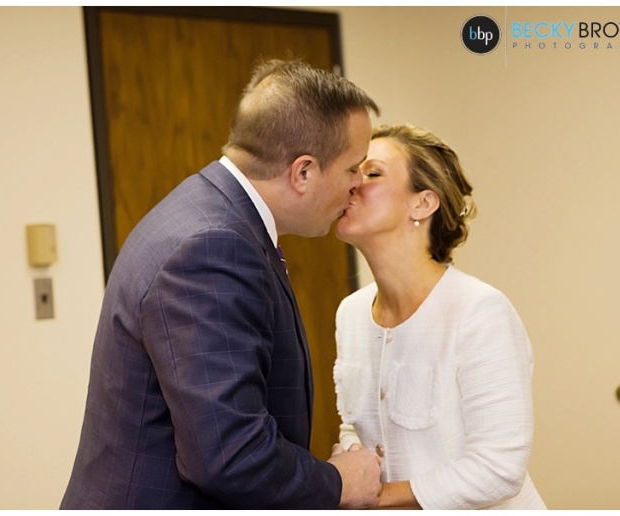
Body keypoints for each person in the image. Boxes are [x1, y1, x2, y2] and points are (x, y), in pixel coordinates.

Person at [60, 59, 383, 510]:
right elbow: (231, 455)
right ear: (303, 172)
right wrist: (337, 483)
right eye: (352, 169)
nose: (357, 185)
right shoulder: (213, 245)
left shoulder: (208, 213)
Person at [333, 124, 547, 509]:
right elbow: (355, 426)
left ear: (423, 204)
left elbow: (499, 469)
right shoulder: (350, 314)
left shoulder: (479, 311)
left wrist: (373, 497)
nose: (352, 184)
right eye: (352, 171)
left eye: (373, 173)